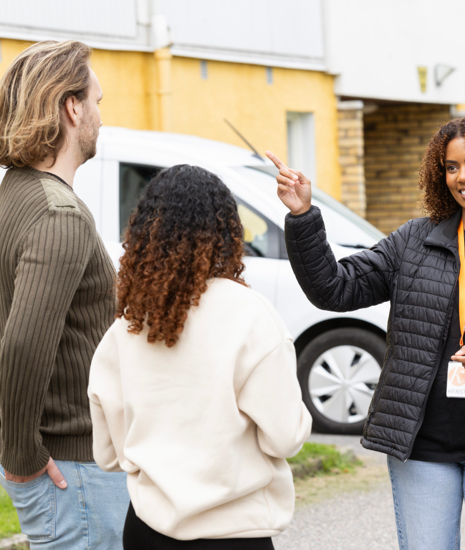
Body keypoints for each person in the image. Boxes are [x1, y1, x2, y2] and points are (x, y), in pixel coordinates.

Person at [267, 112, 465, 549]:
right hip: (422, 447)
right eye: (451, 167)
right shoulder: (414, 242)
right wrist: (303, 216)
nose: (462, 177)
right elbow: (334, 289)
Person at [88, 164, 312, 550]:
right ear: (226, 232)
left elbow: (108, 454)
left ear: (145, 233)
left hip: (146, 531)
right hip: (234, 533)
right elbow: (285, 438)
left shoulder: (126, 328)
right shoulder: (251, 317)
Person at [0, 40, 128, 548]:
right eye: (97, 101)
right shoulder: (56, 213)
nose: (99, 118)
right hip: (71, 467)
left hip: (64, 461)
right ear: (72, 108)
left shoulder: (18, 192)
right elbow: (23, 343)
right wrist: (24, 454)